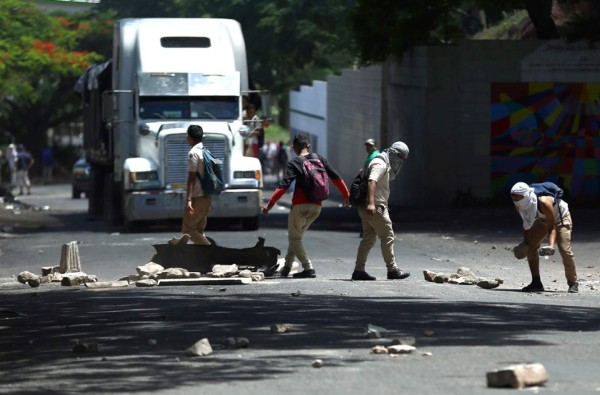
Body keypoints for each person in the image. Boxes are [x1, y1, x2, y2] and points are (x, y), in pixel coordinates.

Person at [262, 133, 350, 278]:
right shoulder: (319, 159)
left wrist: (269, 205)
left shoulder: (295, 162)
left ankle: (308, 268)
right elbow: (336, 177)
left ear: (294, 147)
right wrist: (346, 196)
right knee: (296, 238)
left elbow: (283, 186)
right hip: (316, 207)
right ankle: (286, 268)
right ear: (308, 146)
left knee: (294, 238)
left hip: (299, 206)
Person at [351, 141, 411, 281]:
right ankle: (392, 270)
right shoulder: (381, 163)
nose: (401, 161)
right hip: (375, 206)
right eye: (400, 157)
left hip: (369, 206)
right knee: (387, 235)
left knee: (368, 239)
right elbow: (372, 181)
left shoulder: (382, 162)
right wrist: (372, 203)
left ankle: (359, 270)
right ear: (393, 153)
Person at [510, 182, 578, 293]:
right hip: (543, 220)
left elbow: (552, 227)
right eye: (513, 197)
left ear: (526, 195)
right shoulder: (519, 204)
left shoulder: (544, 201)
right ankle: (536, 282)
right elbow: (527, 224)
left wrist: (551, 246)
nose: (516, 200)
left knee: (564, 249)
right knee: (531, 247)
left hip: (561, 218)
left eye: (518, 197)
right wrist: (526, 244)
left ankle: (573, 283)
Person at [169, 125, 212, 246]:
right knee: (198, 230)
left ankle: (211, 251)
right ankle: (202, 259)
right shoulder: (206, 151)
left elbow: (191, 178)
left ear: (190, 137)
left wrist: (188, 200)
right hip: (207, 195)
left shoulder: (193, 153)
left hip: (197, 197)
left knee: (188, 229)